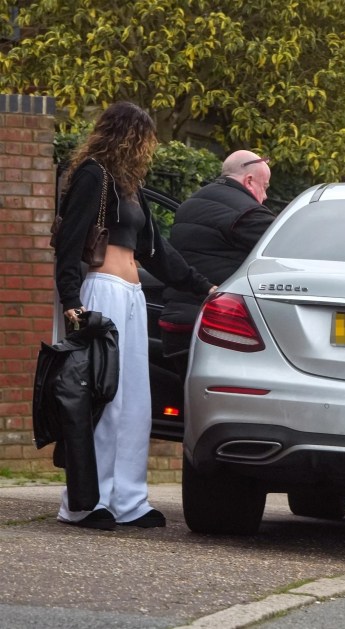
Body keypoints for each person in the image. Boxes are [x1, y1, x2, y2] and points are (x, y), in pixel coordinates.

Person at [54, 102, 215, 530]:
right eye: (146, 137)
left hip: (131, 296)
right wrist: (71, 301)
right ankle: (85, 502)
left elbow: (158, 253)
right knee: (103, 397)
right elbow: (69, 243)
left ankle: (128, 500)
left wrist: (204, 287)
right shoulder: (94, 176)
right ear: (130, 136)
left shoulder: (130, 187)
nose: (149, 147)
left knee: (135, 401)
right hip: (101, 294)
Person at [159, 150, 275, 377]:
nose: (266, 197)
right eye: (266, 186)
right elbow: (285, 251)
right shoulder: (248, 213)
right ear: (249, 180)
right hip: (215, 327)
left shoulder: (190, 204)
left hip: (174, 322)